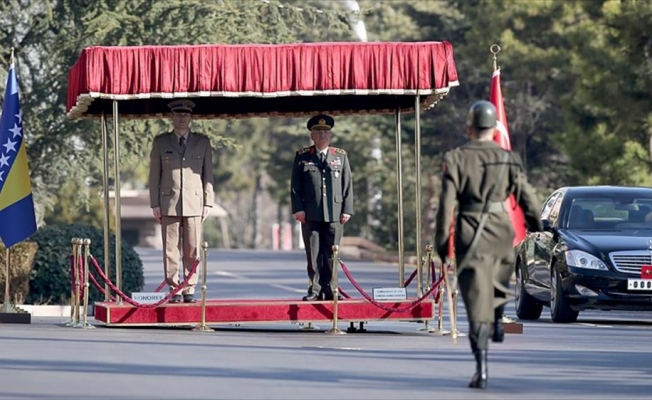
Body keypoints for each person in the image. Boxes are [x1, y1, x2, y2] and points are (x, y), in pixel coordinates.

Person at [434, 100, 543, 389]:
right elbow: (528, 198)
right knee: (498, 281)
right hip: (501, 232)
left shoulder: (455, 158)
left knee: (474, 302)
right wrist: (536, 226)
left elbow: (446, 205)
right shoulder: (509, 158)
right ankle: (497, 314)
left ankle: (481, 368)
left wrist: (443, 245)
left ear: (469, 127)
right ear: (494, 129)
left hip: (471, 233)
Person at [149, 99, 214, 303]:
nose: (182, 119)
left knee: (193, 248)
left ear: (191, 118)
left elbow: (208, 174)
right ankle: (174, 288)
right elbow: (154, 175)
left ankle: (190, 288)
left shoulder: (202, 142)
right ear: (172, 117)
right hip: (169, 202)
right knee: (170, 248)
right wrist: (155, 203)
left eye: (185, 115)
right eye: (178, 115)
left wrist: (208, 202)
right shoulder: (161, 142)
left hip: (195, 203)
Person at [291, 114, 353, 301]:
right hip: (310, 213)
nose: (322, 135)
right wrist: (298, 209)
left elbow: (347, 184)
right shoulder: (302, 156)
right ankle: (315, 289)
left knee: (332, 253)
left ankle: (331, 289)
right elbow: (295, 186)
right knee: (313, 253)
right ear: (312, 135)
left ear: (331, 135)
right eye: (318, 131)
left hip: (335, 213)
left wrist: (347, 209)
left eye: (326, 132)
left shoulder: (340, 156)